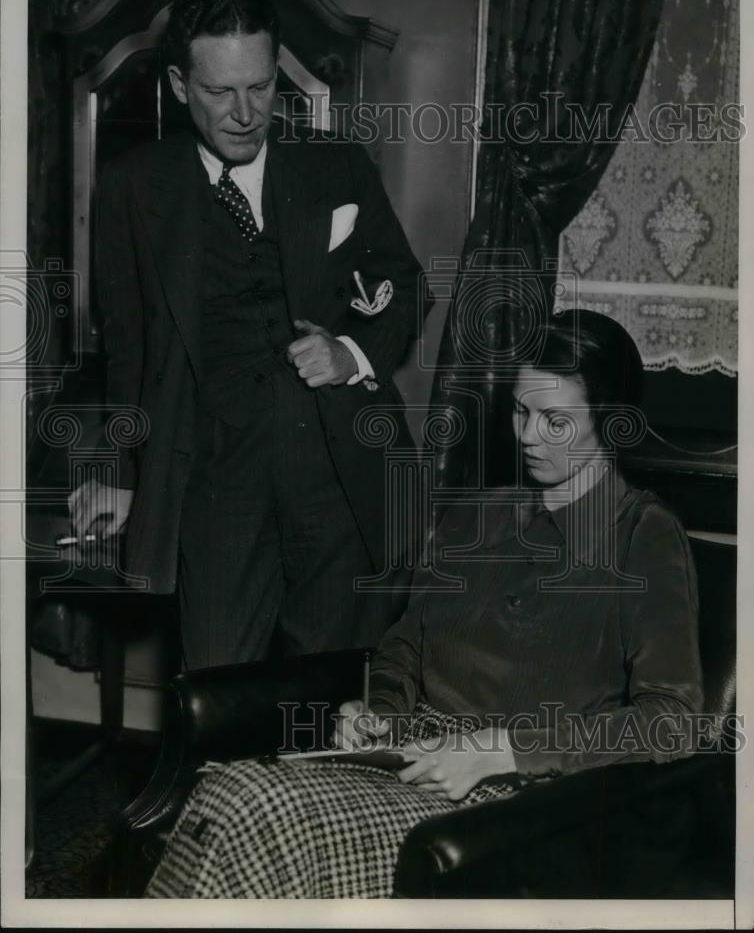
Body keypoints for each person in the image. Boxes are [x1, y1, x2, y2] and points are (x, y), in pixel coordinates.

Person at [145, 309, 704, 899]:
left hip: (517, 801)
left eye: (556, 421)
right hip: (410, 760)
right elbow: (405, 645)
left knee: (251, 803)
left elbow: (673, 722)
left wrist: (502, 751)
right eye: (520, 410)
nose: (528, 435)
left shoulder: (642, 534)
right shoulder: (478, 515)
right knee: (234, 790)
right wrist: (381, 710)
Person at [68, 0, 425, 668]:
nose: (244, 113)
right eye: (220, 92)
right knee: (219, 685)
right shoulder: (133, 188)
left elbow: (403, 285)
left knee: (329, 701)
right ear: (178, 84)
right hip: (213, 477)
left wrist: (350, 351)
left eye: (259, 88)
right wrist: (118, 468)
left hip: (337, 473)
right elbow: (127, 346)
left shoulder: (336, 165)